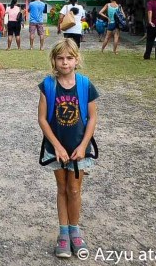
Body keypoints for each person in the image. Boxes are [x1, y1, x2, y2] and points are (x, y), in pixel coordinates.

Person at [38, 39, 99, 259]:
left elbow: (92, 118)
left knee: (74, 190)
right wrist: (57, 146)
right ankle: (63, 233)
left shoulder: (85, 85)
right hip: (56, 148)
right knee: (62, 188)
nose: (65, 62)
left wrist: (83, 146)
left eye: (69, 58)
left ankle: (75, 231)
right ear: (54, 60)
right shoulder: (48, 86)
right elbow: (42, 119)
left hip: (78, 149)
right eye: (60, 58)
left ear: (76, 60)